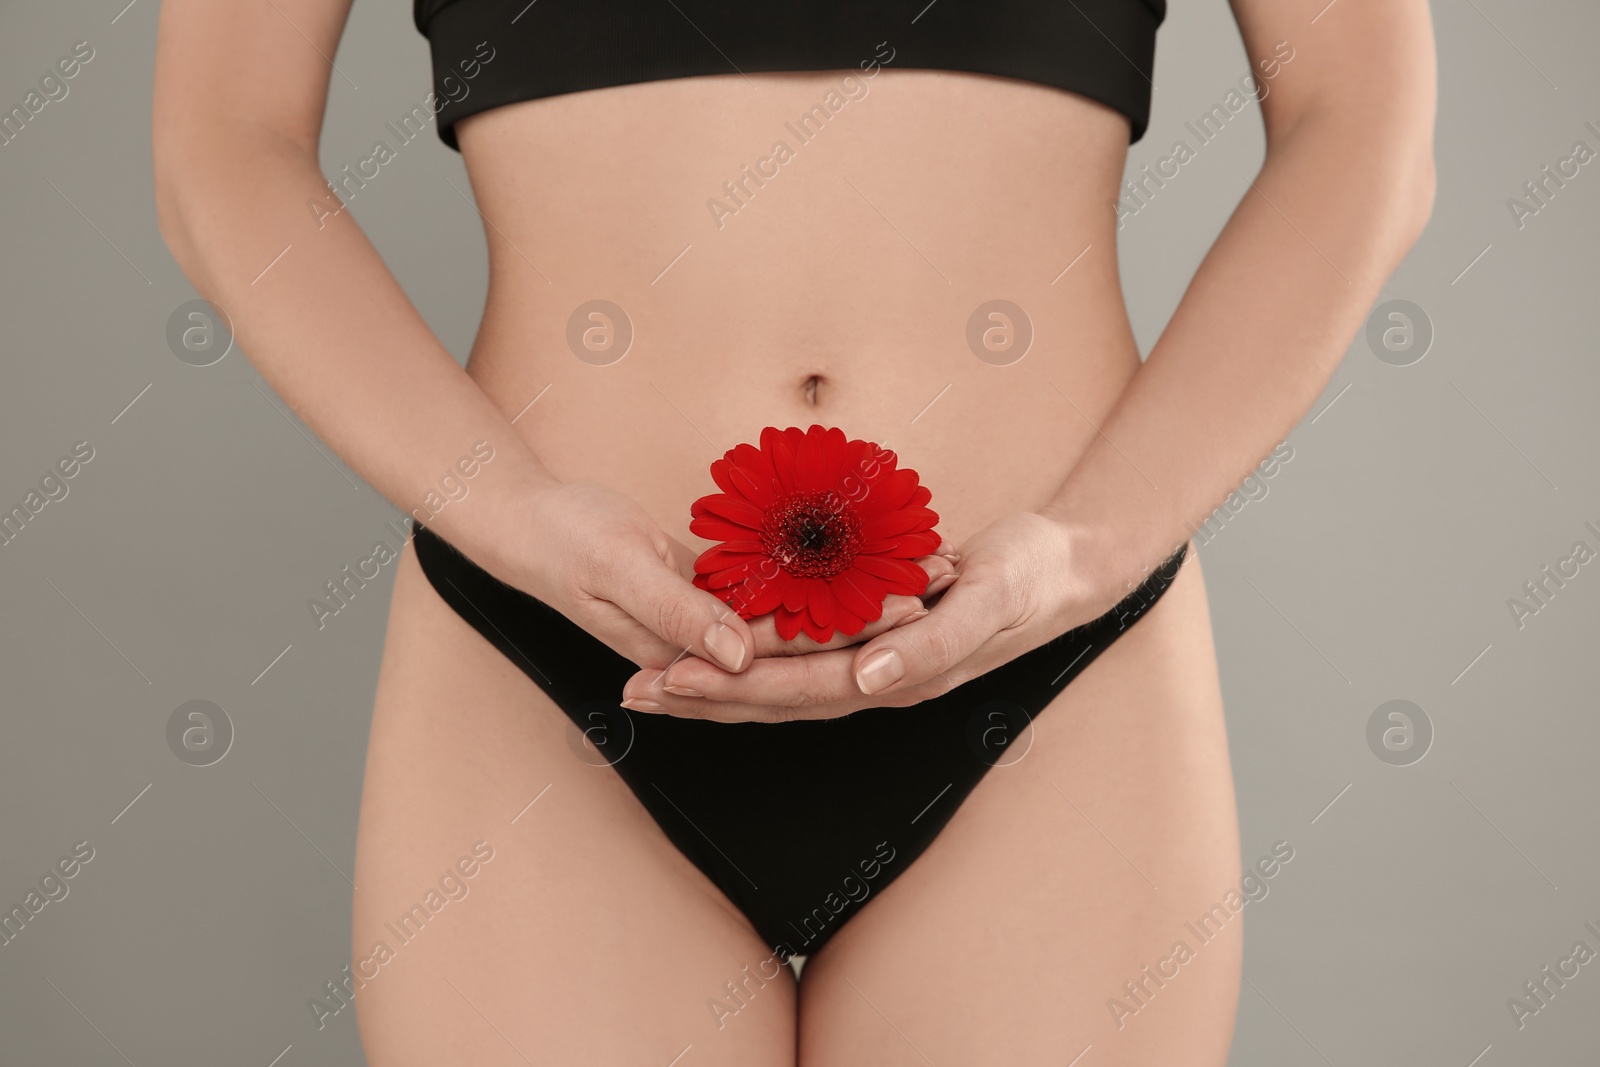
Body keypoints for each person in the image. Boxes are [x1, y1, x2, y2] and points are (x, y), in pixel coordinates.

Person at [152, 0, 1435, 1062]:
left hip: (1047, 656)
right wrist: (512, 516)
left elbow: (1363, 121)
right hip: (547, 652)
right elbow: (225, 140)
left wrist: (1090, 547)